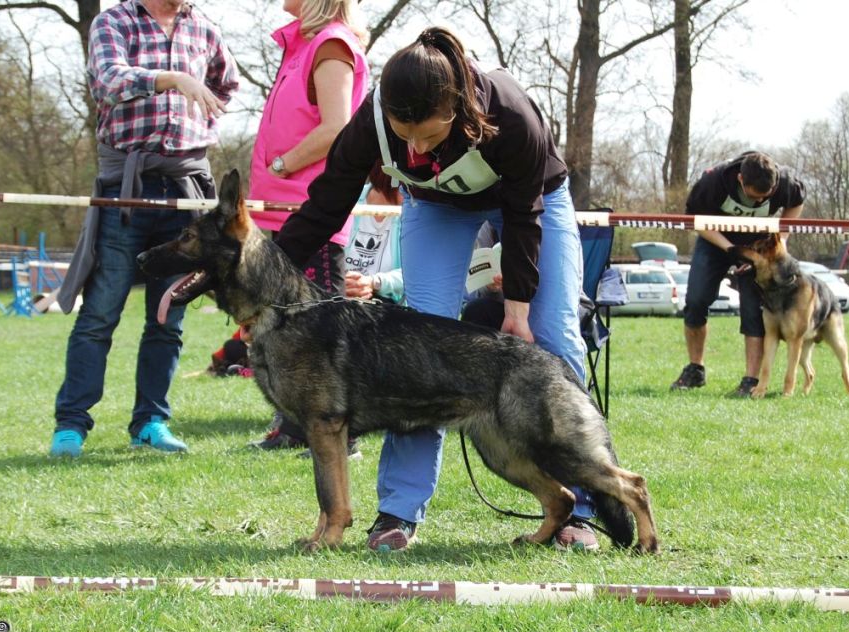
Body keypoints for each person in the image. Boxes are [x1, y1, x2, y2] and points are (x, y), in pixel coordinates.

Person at [274, 27, 597, 551]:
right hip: (436, 209)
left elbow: (522, 217)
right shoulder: (372, 121)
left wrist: (516, 310)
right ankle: (398, 512)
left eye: (429, 136)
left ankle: (578, 507)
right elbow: (325, 203)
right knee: (418, 353)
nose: (417, 147)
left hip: (533, 205)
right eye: (406, 136)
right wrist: (269, 271)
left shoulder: (510, 115)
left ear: (459, 110)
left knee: (554, 335)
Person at [48, 0, 239, 457]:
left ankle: (151, 422)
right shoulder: (114, 21)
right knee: (99, 315)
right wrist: (174, 80)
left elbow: (226, 83)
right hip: (126, 192)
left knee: (168, 319)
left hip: (186, 190)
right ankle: (71, 426)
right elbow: (108, 82)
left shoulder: (206, 29)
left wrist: (201, 114)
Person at [249, 0, 370, 452]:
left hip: (311, 209)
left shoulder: (331, 44)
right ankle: (293, 427)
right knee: (284, 327)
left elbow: (336, 127)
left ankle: (345, 436)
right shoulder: (301, 42)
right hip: (282, 211)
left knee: (320, 329)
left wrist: (281, 164)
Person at [671, 151, 805, 398]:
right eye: (753, 197)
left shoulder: (785, 181)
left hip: (758, 246)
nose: (757, 204)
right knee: (696, 301)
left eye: (763, 199)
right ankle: (695, 369)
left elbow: (796, 202)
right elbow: (695, 220)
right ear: (741, 180)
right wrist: (731, 250)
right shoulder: (713, 181)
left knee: (754, 311)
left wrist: (781, 240)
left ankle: (750, 380)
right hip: (714, 241)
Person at [343, 166, 404, 304]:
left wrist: (374, 282)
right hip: (336, 296)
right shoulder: (347, 199)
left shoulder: (417, 214)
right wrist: (340, 282)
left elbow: (420, 275)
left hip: (387, 307)